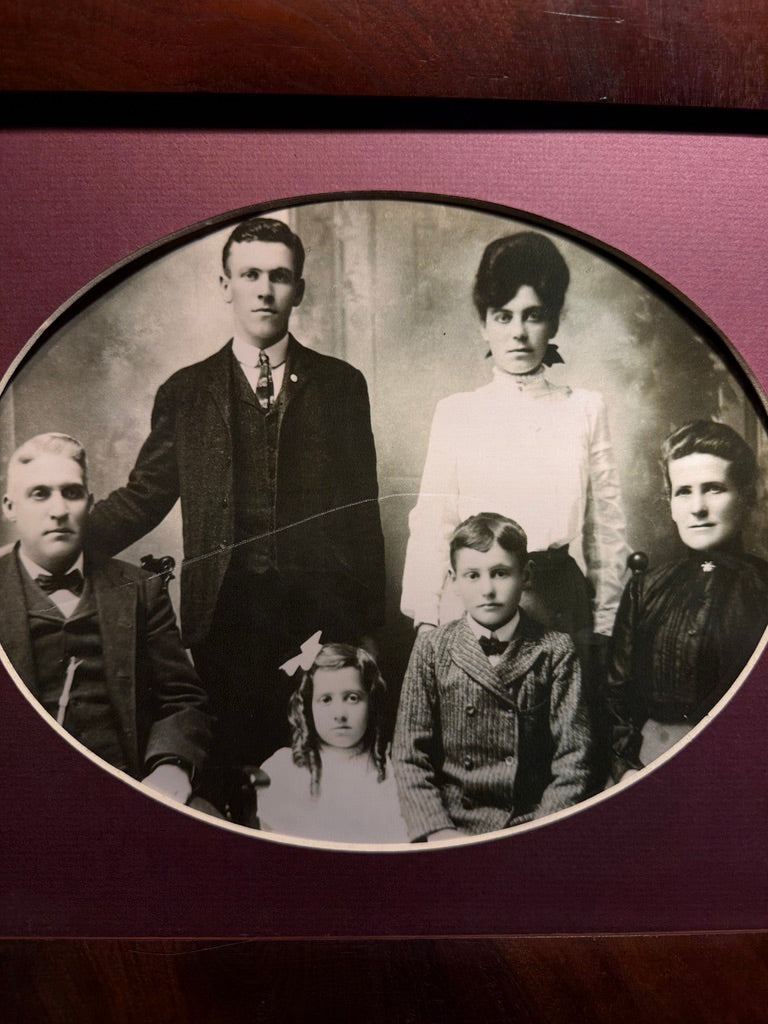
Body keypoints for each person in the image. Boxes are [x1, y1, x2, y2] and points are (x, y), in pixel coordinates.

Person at [86, 216, 385, 787]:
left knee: (314, 770)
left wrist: (367, 626)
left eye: (279, 276)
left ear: (299, 288)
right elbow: (143, 497)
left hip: (317, 622)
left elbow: (362, 513)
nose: (264, 289)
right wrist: (64, 542)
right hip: (222, 622)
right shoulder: (186, 391)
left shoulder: (341, 386)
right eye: (250, 274)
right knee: (231, 775)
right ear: (226, 285)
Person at [400, 231, 629, 656]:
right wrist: (427, 620)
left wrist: (605, 624)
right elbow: (433, 523)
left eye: (533, 315)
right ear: (484, 326)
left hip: (559, 605)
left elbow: (606, 530)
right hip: (475, 605)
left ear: (554, 321)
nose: (518, 333)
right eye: (503, 316)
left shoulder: (585, 408)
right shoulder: (456, 412)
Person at [0, 433, 212, 804]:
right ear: (9, 507)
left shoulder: (140, 588)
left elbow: (182, 699)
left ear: (90, 504)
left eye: (72, 493)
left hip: (132, 786)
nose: (58, 510)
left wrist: (171, 767)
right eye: (39, 494)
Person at [393, 513, 593, 841]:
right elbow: (409, 755)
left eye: (500, 573)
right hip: (451, 824)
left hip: (530, 823)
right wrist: (436, 829)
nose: (487, 589)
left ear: (525, 575)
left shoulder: (556, 650)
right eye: (472, 575)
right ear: (453, 580)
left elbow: (574, 759)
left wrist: (541, 830)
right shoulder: (431, 648)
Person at [607, 420, 768, 782]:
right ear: (671, 505)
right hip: (645, 771)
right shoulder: (645, 588)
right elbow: (617, 699)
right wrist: (626, 769)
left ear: (746, 495)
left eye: (713, 489)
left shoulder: (763, 588)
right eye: (683, 492)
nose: (697, 508)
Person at [257, 642, 407, 844]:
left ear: (371, 703)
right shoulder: (286, 769)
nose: (339, 715)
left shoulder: (390, 771)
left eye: (352, 698)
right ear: (309, 706)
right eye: (326, 699)